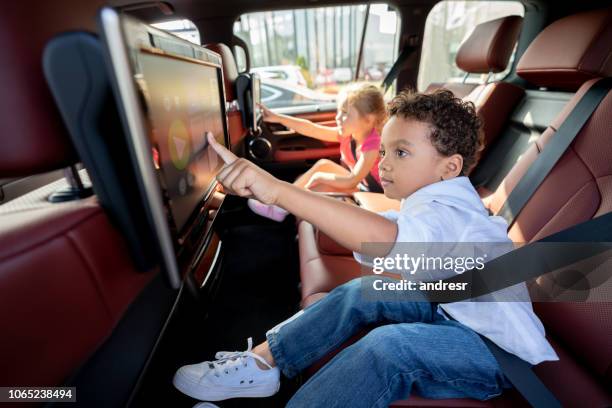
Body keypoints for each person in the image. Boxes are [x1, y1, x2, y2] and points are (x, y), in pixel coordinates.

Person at [173, 90, 558, 406]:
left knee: (390, 347)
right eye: (386, 151)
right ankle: (262, 365)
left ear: (449, 167)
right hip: (452, 306)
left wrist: (278, 191)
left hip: (494, 353)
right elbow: (391, 237)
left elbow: (387, 241)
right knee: (366, 290)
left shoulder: (450, 208)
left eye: (401, 153)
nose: (384, 164)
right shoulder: (433, 200)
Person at [248, 83, 386, 222]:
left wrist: (321, 177)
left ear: (368, 120)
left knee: (318, 184)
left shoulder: (373, 146)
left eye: (345, 113)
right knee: (323, 166)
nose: (338, 117)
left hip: (374, 193)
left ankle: (282, 206)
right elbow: (312, 129)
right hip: (360, 185)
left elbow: (351, 181)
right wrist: (278, 118)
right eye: (339, 110)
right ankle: (280, 204)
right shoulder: (349, 135)